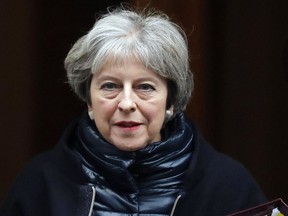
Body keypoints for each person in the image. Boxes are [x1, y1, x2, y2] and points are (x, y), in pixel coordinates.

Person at [0, 7, 266, 216]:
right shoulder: (41, 184)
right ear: (89, 101)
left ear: (171, 100)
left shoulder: (228, 185)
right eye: (110, 86)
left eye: (145, 87)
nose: (127, 103)